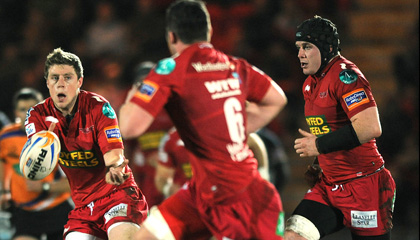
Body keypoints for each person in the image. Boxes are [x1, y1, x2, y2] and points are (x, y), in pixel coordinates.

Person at [119, 1, 288, 239]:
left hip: (234, 197)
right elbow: (277, 99)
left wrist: (132, 97)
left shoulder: (170, 69)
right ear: (208, 31)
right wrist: (230, 130)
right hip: (203, 192)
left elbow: (129, 127)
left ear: (172, 35)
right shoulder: (233, 65)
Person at [286, 16, 396, 240]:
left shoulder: (346, 76)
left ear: (325, 47)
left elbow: (370, 127)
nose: (300, 54)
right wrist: (320, 163)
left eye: (307, 47)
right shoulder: (310, 83)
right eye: (298, 48)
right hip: (329, 186)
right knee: (294, 234)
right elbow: (333, 131)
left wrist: (319, 145)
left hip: (364, 185)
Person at [23, 48, 148, 240]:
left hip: (117, 195)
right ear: (47, 82)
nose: (61, 84)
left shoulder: (99, 108)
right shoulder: (37, 115)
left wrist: (114, 168)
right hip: (83, 207)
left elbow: (114, 155)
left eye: (68, 77)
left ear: (79, 82)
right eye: (54, 78)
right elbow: (37, 154)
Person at [0, 88, 73, 240]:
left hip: (57, 210)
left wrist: (45, 187)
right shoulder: (6, 136)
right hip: (25, 213)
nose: (27, 114)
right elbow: (3, 161)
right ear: (15, 113)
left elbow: (76, 183)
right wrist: (4, 191)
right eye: (22, 110)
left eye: (32, 109)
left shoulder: (58, 139)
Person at [155, 128, 270, 199]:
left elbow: (254, 141)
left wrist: (263, 173)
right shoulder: (172, 139)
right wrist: (169, 189)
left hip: (225, 195)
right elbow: (162, 177)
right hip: (191, 198)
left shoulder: (219, 127)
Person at [124, 61, 174, 207]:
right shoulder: (131, 109)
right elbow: (126, 147)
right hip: (145, 174)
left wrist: (165, 158)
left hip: (172, 171)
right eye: (142, 83)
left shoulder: (172, 106)